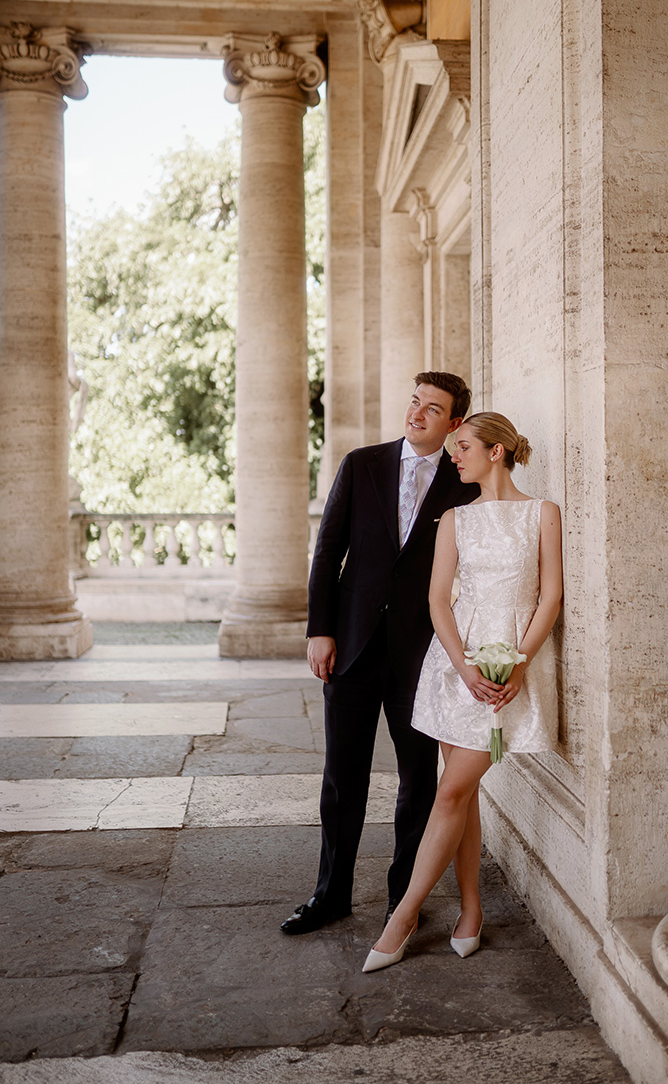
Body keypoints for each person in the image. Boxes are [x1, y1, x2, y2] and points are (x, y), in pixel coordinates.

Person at [281, 371, 480, 935]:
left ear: (454, 423)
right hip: (350, 646)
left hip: (421, 658)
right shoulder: (360, 464)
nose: (416, 414)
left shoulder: (462, 485)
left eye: (432, 409)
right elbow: (328, 552)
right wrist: (320, 629)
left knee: (418, 780)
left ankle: (404, 902)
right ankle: (330, 896)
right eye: (414, 402)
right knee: (343, 777)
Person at [362, 411, 562, 971]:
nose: (454, 457)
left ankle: (404, 915)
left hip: (511, 662)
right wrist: (463, 664)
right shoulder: (453, 519)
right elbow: (436, 600)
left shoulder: (542, 514)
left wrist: (517, 664)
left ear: (495, 452)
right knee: (462, 794)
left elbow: (550, 597)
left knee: (449, 791)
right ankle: (470, 909)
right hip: (456, 666)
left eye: (463, 447)